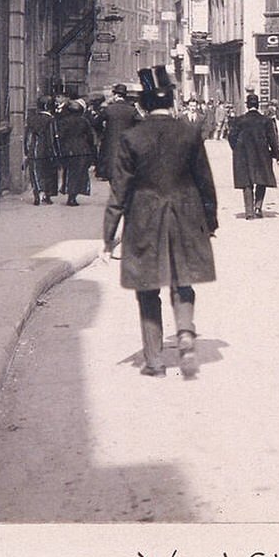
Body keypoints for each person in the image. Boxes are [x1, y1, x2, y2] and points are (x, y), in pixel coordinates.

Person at [102, 65, 218, 378]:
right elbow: (204, 180)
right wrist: (210, 220)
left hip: (144, 218)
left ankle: (154, 362)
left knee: (147, 287)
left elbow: (120, 189)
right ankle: (184, 331)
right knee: (183, 280)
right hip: (185, 214)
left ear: (144, 104)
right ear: (171, 101)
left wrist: (108, 235)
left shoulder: (132, 137)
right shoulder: (189, 132)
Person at [227, 92, 279, 218]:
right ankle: (258, 207)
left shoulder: (239, 120)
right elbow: (273, 139)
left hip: (243, 155)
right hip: (262, 154)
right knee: (261, 180)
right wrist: (275, 154)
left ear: (247, 105)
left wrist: (237, 149)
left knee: (247, 182)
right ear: (258, 105)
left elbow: (231, 137)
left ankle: (249, 212)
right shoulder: (265, 121)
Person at [56, 99, 98, 206]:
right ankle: (73, 196)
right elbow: (90, 137)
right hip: (82, 149)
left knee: (69, 172)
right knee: (79, 173)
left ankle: (69, 193)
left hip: (68, 150)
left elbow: (60, 136)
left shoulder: (64, 121)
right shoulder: (84, 121)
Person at [97, 83, 141, 182]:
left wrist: (103, 131)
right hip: (127, 140)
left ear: (116, 95)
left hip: (110, 140)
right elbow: (140, 123)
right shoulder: (132, 110)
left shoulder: (108, 109)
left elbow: (97, 122)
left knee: (111, 163)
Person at [24, 96, 60, 205]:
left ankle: (37, 195)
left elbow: (27, 136)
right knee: (48, 174)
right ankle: (47, 196)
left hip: (34, 151)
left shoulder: (32, 119)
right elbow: (52, 137)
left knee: (35, 173)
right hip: (47, 152)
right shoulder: (51, 120)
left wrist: (27, 150)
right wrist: (56, 152)